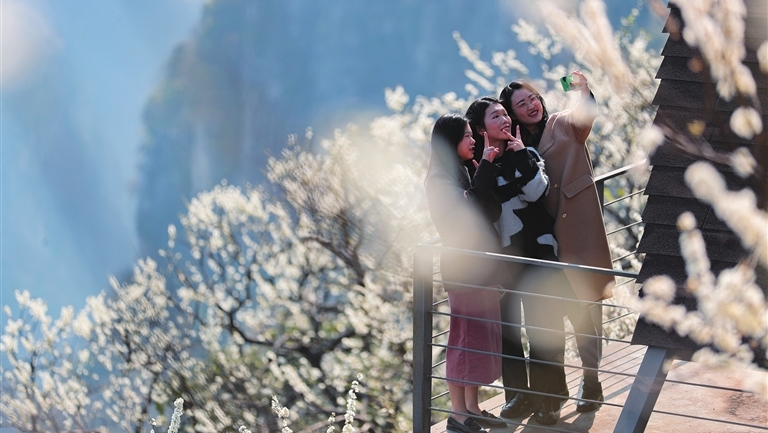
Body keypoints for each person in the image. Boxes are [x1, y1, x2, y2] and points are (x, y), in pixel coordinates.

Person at [499, 71, 615, 415]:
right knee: (549, 319)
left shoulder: (563, 124)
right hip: (542, 240)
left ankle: (591, 381)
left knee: (586, 310)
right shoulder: (513, 145)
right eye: (521, 104)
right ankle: (554, 393)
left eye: (533, 98)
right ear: (512, 113)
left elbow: (585, 116)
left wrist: (582, 90)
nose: (530, 106)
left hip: (578, 232)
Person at [466, 97, 569, 425]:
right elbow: (477, 209)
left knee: (544, 326)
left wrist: (522, 154)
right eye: (496, 117)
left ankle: (550, 397)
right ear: (481, 128)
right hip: (503, 261)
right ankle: (519, 395)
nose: (505, 120)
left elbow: (538, 192)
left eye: (505, 114)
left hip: (538, 254)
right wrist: (485, 165)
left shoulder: (527, 154)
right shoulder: (476, 167)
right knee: (508, 332)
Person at [425, 113, 508, 433]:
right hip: (463, 269)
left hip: (479, 265)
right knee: (464, 339)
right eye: (467, 136)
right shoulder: (439, 179)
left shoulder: (461, 170)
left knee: (478, 339)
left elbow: (490, 209)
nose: (474, 140)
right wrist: (484, 167)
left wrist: (481, 169)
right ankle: (458, 414)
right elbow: (468, 210)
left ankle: (472, 407)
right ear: (450, 142)